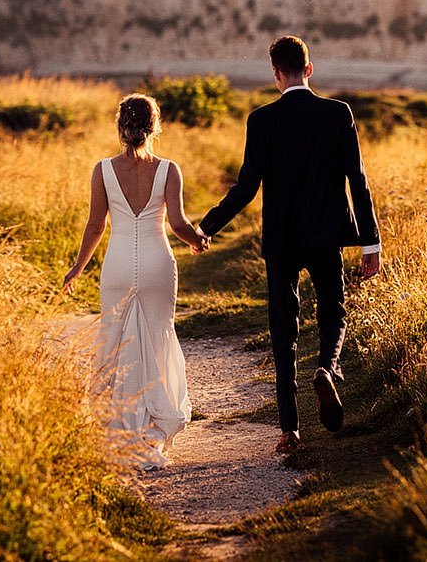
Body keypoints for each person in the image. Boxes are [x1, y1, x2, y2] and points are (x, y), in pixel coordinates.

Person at [197, 35, 382, 452]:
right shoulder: (338, 113)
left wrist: (207, 227)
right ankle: (327, 371)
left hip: (282, 239)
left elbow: (246, 188)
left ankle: (289, 429)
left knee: (284, 329)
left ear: (276, 74)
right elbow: (358, 180)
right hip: (327, 235)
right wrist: (370, 242)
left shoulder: (261, 121)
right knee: (334, 312)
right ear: (309, 69)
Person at [60, 93, 210, 468]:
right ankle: (156, 422)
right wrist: (198, 241)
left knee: (118, 342)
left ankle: (123, 425)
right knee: (158, 337)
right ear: (155, 126)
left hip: (118, 266)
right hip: (159, 264)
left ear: (120, 127)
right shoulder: (169, 169)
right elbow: (177, 224)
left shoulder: (103, 170)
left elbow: (96, 225)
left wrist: (78, 266)